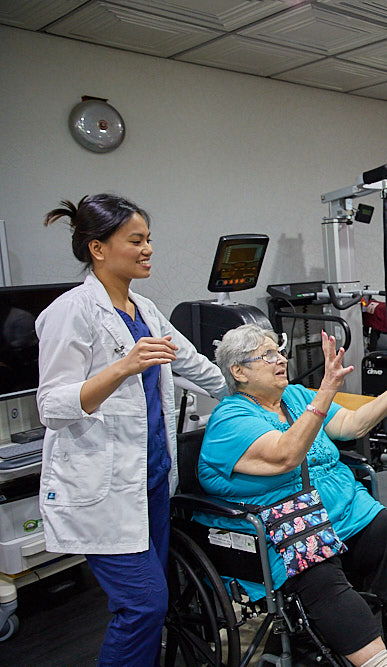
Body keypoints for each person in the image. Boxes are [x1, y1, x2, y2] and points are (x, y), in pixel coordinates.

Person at [198, 323, 387, 667]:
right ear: (238, 371)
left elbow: (352, 424)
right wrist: (326, 390)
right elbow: (286, 455)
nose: (281, 359)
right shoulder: (231, 419)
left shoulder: (294, 397)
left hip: (337, 512)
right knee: (321, 576)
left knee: (382, 527)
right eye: (268, 355)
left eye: (280, 350)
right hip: (283, 530)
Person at [35, 194, 228, 665]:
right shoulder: (72, 311)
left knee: (152, 603)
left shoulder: (144, 309)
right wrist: (122, 368)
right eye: (136, 241)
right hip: (102, 491)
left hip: (152, 481)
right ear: (98, 248)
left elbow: (199, 368)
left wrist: (255, 387)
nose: (148, 250)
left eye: (148, 240)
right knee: (143, 604)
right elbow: (53, 405)